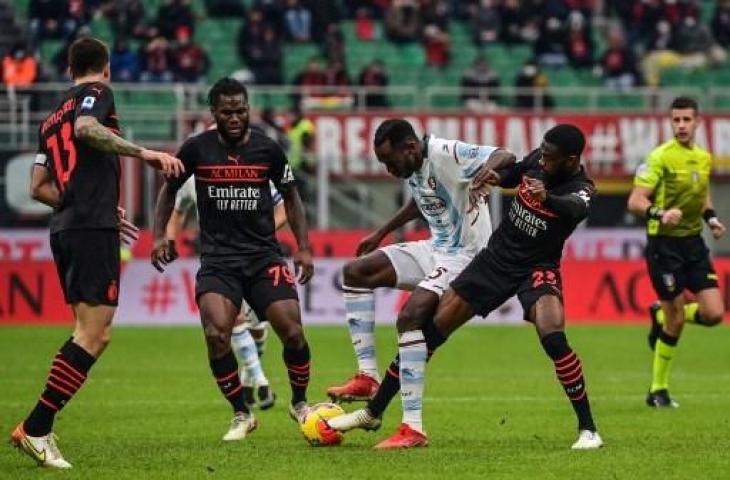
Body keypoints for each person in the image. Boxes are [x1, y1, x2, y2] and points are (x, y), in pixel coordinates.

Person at [325, 124, 603, 451]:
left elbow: (576, 208)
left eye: (550, 157)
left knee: (553, 336)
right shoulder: (539, 161)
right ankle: (374, 411)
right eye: (542, 153)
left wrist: (549, 198)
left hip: (538, 266)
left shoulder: (582, 187)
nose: (543, 160)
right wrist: (495, 177)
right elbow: (514, 172)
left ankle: (588, 429)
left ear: (571, 160)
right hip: (495, 259)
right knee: (428, 334)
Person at [11, 37, 183, 469]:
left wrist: (94, 207)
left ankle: (37, 427)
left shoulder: (50, 118)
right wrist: (144, 152)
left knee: (86, 332)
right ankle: (36, 428)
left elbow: (38, 186)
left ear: (69, 69)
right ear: (105, 69)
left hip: (68, 228)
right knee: (95, 334)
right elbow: (87, 128)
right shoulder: (99, 95)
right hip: (89, 230)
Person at [150, 77, 314, 442]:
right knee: (215, 334)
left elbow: (292, 196)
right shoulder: (195, 150)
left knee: (293, 332)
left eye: (242, 110)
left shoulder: (268, 150)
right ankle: (241, 412)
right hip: (219, 262)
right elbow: (169, 190)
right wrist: (160, 235)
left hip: (263, 258)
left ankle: (300, 402)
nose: (236, 117)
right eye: (228, 112)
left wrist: (302, 246)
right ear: (214, 113)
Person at [326, 119, 514, 410]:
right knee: (356, 272)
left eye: (390, 162)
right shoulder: (416, 165)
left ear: (411, 147)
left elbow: (505, 154)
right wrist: (381, 233)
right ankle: (366, 376)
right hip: (435, 248)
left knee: (410, 316)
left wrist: (490, 169)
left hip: (467, 256)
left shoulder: (445, 152)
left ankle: (411, 424)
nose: (389, 171)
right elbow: (421, 201)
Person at [165, 151, 289, 410]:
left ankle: (247, 381)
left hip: (257, 257)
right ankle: (261, 382)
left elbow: (283, 206)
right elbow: (178, 211)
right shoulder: (192, 180)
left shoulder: (252, 172)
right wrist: (169, 238)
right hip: (219, 259)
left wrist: (263, 231)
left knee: (257, 327)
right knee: (235, 320)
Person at [627, 96, 726, 408]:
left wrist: (711, 218)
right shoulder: (659, 158)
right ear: (671, 123)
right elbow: (635, 200)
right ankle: (658, 390)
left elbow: (702, 192)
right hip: (664, 245)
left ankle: (659, 312)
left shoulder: (704, 157)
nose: (681, 125)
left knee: (714, 314)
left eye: (687, 120)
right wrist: (659, 213)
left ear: (698, 122)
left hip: (694, 242)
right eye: (676, 120)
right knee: (677, 319)